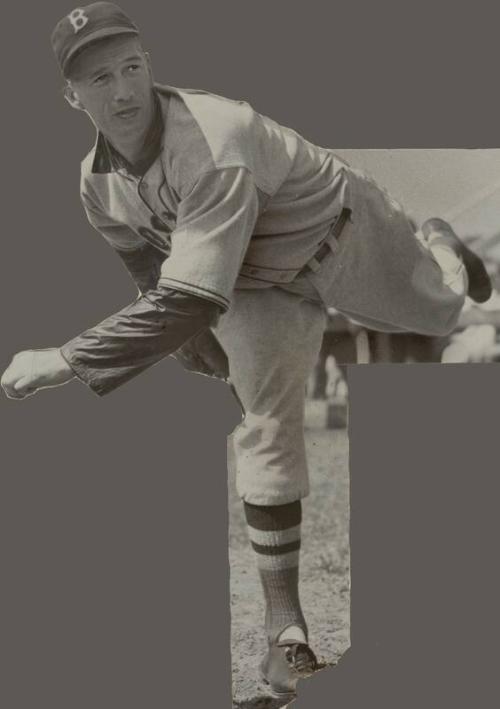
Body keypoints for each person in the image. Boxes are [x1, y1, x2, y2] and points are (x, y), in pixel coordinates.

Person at [1, 2, 492, 700]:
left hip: (339, 233)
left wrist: (69, 357)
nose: (123, 91)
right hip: (255, 284)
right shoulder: (95, 183)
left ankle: (440, 240)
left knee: (447, 309)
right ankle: (284, 637)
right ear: (71, 96)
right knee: (264, 421)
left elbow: (190, 297)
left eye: (133, 67)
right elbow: (150, 270)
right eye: (100, 77)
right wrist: (191, 348)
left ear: (151, 67)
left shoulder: (212, 136)